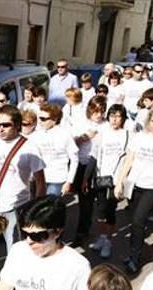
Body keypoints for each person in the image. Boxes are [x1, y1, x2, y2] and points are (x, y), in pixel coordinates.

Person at [115, 106, 153, 275]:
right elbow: (128, 161)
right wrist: (120, 182)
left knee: (139, 220)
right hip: (134, 184)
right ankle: (134, 252)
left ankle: (135, 258)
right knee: (134, 220)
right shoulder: (139, 137)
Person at [0, 105, 46, 251]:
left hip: (16, 206)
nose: (1, 128)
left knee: (14, 248)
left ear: (17, 125)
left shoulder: (30, 147)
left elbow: (40, 182)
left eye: (6, 125)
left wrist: (36, 210)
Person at [84, 104, 130, 259]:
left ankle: (108, 241)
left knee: (110, 211)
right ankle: (103, 237)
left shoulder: (128, 135)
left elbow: (130, 160)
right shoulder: (101, 134)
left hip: (116, 180)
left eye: (118, 116)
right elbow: (94, 156)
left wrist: (122, 182)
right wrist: (86, 178)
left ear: (123, 118)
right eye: (112, 116)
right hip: (101, 178)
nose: (114, 119)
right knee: (100, 212)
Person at [72, 96, 108, 245]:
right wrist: (85, 137)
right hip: (83, 165)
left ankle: (103, 237)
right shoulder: (82, 124)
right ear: (89, 111)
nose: (98, 114)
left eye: (101, 111)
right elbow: (71, 144)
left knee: (102, 204)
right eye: (95, 111)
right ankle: (82, 233)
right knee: (85, 203)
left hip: (101, 168)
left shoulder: (107, 125)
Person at [32, 104, 78, 197]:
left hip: (57, 179)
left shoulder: (65, 135)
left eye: (43, 119)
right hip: (37, 179)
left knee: (49, 208)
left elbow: (74, 159)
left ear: (54, 119)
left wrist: (69, 181)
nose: (40, 121)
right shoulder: (35, 135)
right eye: (39, 118)